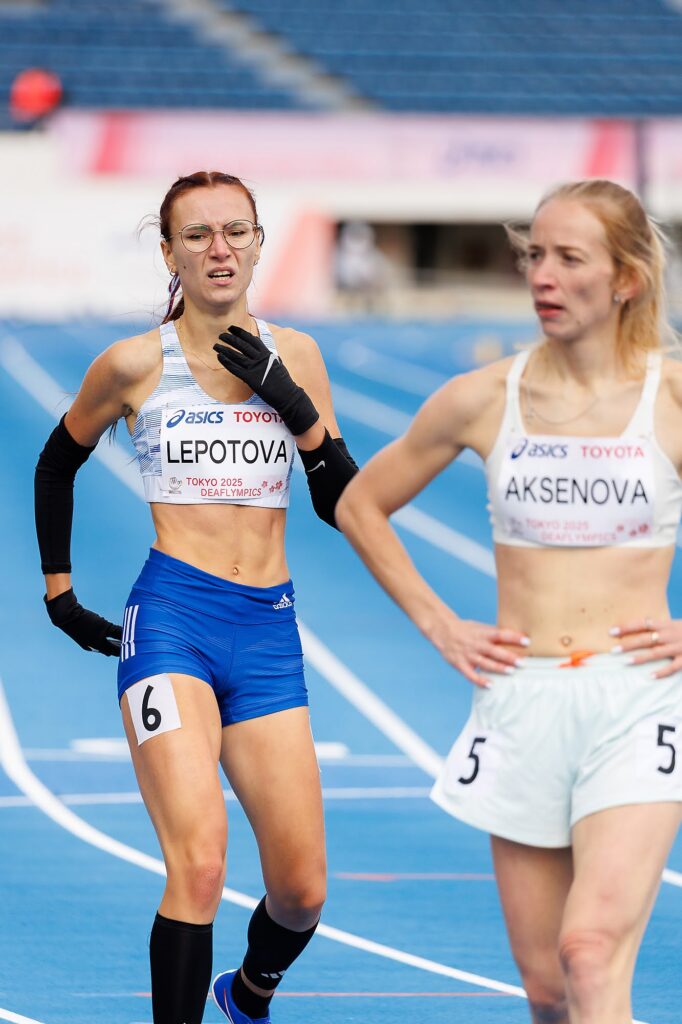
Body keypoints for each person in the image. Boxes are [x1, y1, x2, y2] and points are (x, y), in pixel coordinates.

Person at [336, 178, 682, 1024]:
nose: (543, 276)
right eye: (534, 255)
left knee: (589, 953)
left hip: (640, 698)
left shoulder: (670, 398)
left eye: (570, 258)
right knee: (548, 990)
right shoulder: (484, 397)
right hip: (522, 699)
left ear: (626, 278)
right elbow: (358, 504)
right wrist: (439, 624)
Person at [34, 170, 358, 1024]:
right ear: (170, 251)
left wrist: (292, 404)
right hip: (172, 622)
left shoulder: (299, 355)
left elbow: (342, 505)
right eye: (198, 234)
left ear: (257, 243)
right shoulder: (136, 363)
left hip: (268, 632)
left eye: (235, 231)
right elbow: (56, 461)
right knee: (201, 863)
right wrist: (60, 593)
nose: (220, 249)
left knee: (302, 891)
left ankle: (247, 995)